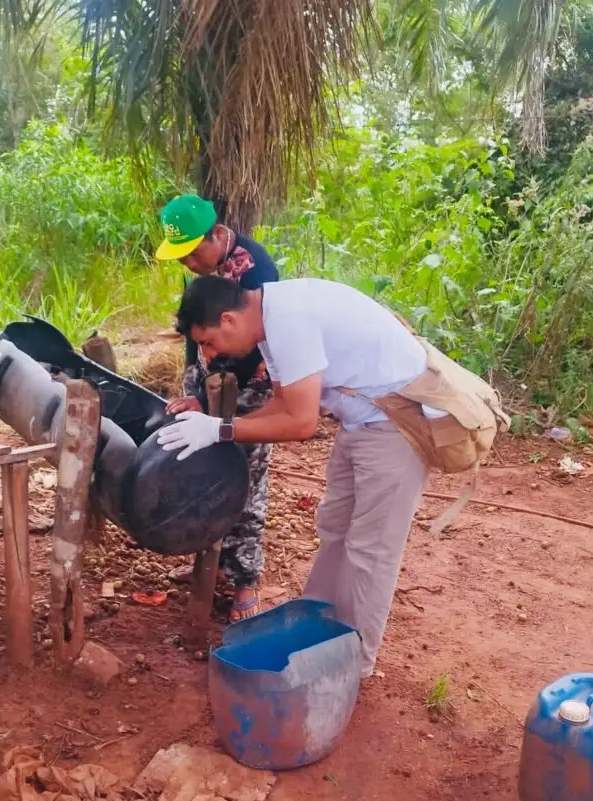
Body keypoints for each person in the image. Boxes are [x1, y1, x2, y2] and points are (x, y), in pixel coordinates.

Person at [155, 275, 449, 678]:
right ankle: (317, 631)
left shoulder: (288, 320)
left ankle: (352, 665)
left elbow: (302, 422)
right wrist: (222, 428)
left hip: (398, 425)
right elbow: (282, 403)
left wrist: (221, 429)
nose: (209, 354)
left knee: (371, 550)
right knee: (335, 527)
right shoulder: (270, 320)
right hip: (362, 421)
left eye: (207, 342)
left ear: (228, 320)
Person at [154, 194, 279, 622]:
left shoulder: (255, 272)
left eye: (193, 253)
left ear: (218, 234)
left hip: (249, 389)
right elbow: (195, 332)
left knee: (245, 476)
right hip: (209, 386)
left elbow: (254, 345)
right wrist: (194, 384)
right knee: (205, 469)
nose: (189, 263)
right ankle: (211, 562)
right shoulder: (207, 271)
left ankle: (245, 578)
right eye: (182, 257)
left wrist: (211, 404)